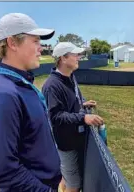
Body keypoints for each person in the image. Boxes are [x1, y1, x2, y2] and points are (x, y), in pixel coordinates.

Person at [0, 13, 62, 192]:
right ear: (12, 43)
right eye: (36, 41)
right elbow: (4, 171)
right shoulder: (1, 94)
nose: (42, 48)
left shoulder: (20, 83)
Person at [42, 42, 104, 192]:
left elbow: (70, 104)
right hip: (66, 144)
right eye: (75, 54)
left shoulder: (70, 77)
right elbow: (56, 116)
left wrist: (82, 104)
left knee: (70, 177)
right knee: (74, 185)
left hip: (77, 139)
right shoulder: (52, 85)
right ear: (63, 58)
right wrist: (83, 118)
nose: (79, 57)